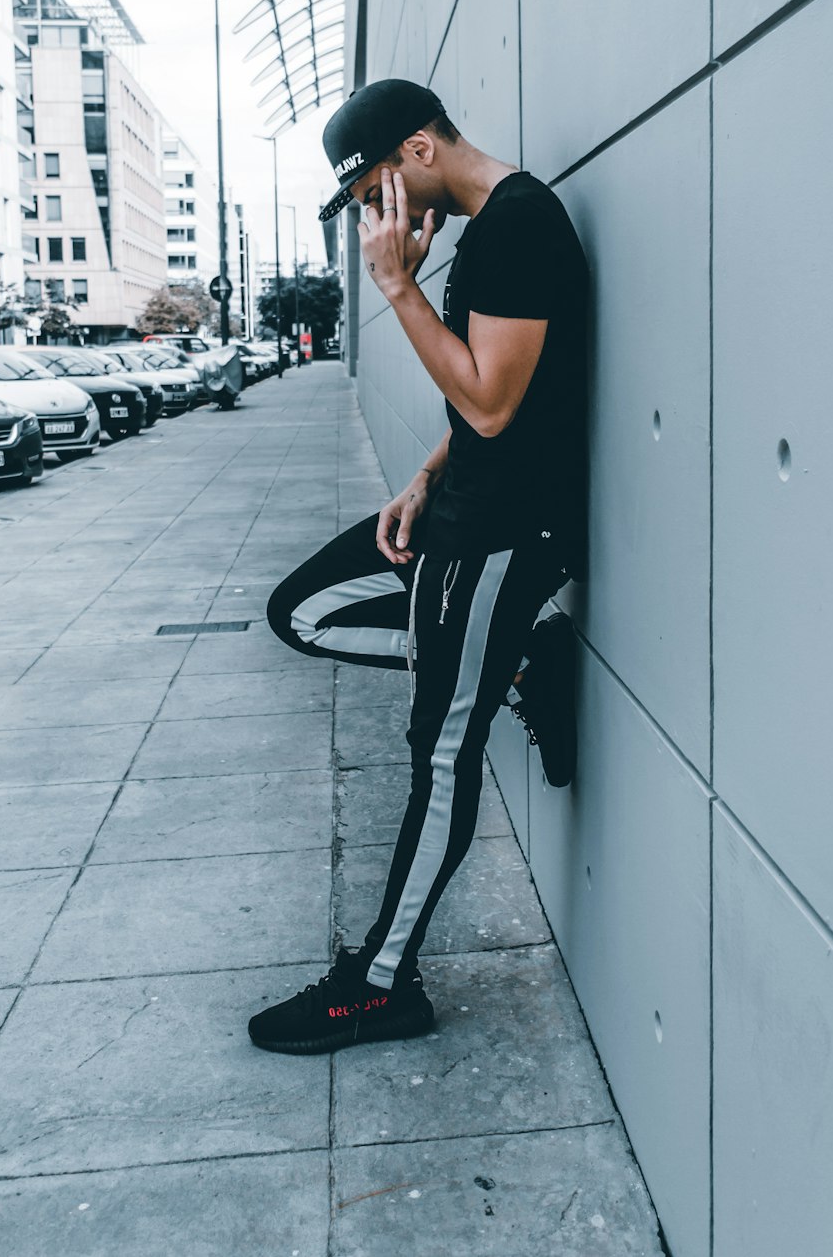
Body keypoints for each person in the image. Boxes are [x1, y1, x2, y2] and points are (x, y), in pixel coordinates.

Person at [249, 79, 589, 1056]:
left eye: (371, 192)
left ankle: (379, 986)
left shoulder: (521, 226)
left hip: (500, 541)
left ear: (419, 154)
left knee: (438, 756)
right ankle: (516, 665)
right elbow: (486, 407)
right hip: (459, 513)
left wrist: (396, 286)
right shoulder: (485, 232)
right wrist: (423, 477)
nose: (371, 216)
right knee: (305, 610)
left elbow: (492, 402)